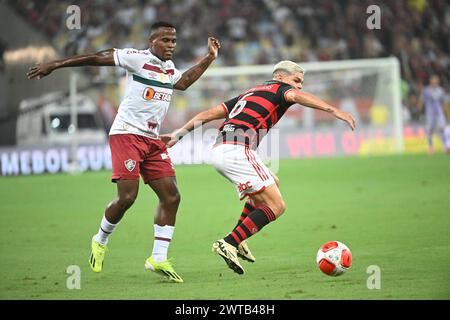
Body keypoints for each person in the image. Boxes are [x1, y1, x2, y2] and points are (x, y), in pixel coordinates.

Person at [27, 21, 221, 283]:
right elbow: (97, 57)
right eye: (165, 40)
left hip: (152, 140)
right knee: (128, 197)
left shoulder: (169, 68)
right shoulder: (136, 58)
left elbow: (184, 82)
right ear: (152, 41)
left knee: (171, 196)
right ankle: (100, 239)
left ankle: (158, 258)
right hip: (126, 135)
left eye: (174, 41)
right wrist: (55, 64)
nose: (171, 46)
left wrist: (209, 58)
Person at [161, 60, 355, 275]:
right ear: (281, 77)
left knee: (272, 183)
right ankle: (229, 242)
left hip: (220, 150)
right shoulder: (280, 89)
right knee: (277, 206)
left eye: (301, 83)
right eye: (296, 80)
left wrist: (178, 135)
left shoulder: (249, 93)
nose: (299, 86)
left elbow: (207, 115)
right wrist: (334, 110)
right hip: (236, 150)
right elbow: (297, 97)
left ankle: (239, 237)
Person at [420, 75, 449, 154]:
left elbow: (444, 102)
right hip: (429, 113)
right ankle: (431, 147)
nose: (436, 82)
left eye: (437, 80)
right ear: (431, 81)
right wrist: (420, 111)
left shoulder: (440, 90)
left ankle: (446, 146)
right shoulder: (426, 91)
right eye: (434, 80)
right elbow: (422, 101)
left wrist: (444, 112)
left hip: (439, 113)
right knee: (429, 131)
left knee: (442, 129)